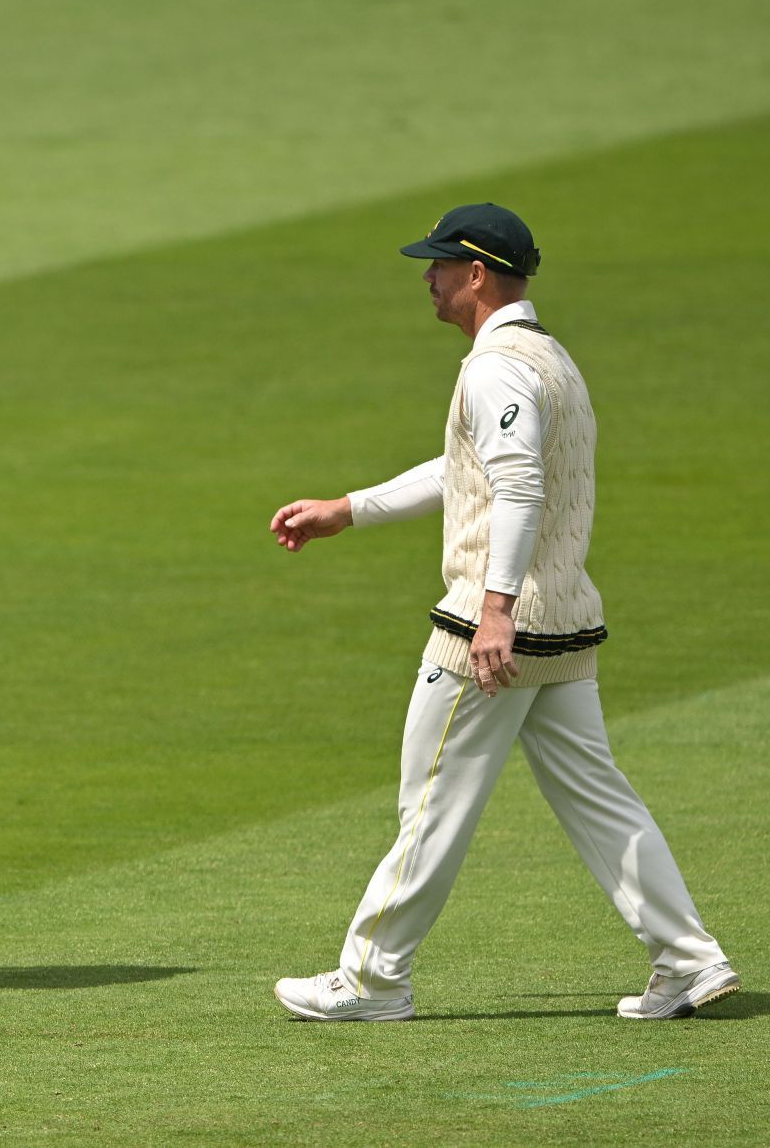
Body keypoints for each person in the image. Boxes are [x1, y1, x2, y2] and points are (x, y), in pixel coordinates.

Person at [268, 203, 739, 1021]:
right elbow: (470, 468)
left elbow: (517, 486)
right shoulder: (548, 358)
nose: (429, 278)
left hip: (493, 630)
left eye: (440, 265)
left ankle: (372, 980)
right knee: (600, 797)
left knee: (431, 801)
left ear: (477, 274)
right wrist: (350, 508)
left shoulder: (494, 370)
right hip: (563, 622)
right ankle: (690, 961)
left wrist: (494, 612)